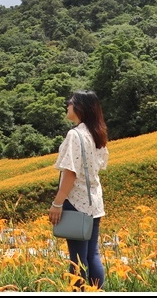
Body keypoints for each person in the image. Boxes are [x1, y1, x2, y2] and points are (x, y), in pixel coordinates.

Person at [48, 90, 109, 289]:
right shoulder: (96, 133)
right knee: (92, 255)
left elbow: (70, 173)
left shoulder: (75, 135)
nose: (67, 105)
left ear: (80, 107)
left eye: (70, 102)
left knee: (77, 260)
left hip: (76, 203)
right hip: (94, 203)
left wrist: (57, 203)